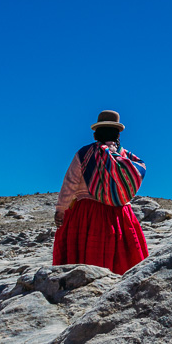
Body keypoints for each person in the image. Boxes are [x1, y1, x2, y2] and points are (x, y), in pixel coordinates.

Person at [52, 110, 149, 274]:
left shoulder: (85, 154)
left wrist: (61, 210)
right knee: (125, 260)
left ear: (96, 133)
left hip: (88, 214)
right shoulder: (126, 156)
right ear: (117, 133)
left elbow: (70, 183)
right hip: (120, 215)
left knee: (85, 260)